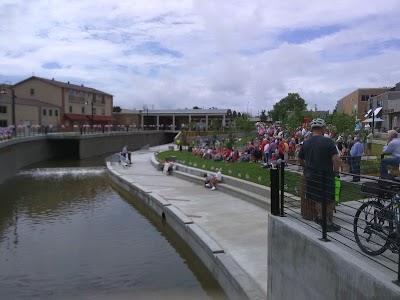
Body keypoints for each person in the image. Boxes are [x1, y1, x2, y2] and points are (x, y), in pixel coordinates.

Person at [297, 118, 341, 232]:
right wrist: (336, 172)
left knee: (318, 199)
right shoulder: (328, 141)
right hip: (326, 175)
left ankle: (321, 218)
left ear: (312, 129)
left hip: (311, 175)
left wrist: (306, 166)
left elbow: (299, 159)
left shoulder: (306, 142)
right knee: (332, 198)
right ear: (323, 129)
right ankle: (324, 221)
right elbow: (336, 159)